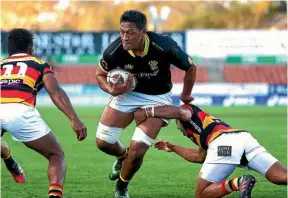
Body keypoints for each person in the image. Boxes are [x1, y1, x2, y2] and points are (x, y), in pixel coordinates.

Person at [95, 10, 197, 198]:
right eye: (122, 32)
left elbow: (190, 67)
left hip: (158, 98)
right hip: (127, 95)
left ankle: (121, 188)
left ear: (143, 32)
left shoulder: (164, 46)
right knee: (103, 142)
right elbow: (100, 75)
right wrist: (111, 90)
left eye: (130, 33)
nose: (124, 37)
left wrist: (186, 94)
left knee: (138, 149)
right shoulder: (113, 51)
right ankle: (121, 156)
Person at [0, 28, 87, 198]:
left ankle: (10, 162)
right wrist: (74, 119)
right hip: (20, 111)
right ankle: (54, 194)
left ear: (9, 50)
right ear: (31, 49)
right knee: (56, 155)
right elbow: (55, 92)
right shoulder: (38, 63)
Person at [134, 104, 287, 198]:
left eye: (177, 125)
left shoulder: (188, 113)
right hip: (244, 139)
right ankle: (240, 182)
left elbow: (180, 112)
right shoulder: (204, 130)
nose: (179, 129)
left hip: (225, 146)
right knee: (281, 176)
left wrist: (148, 112)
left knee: (202, 194)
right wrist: (173, 147)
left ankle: (239, 182)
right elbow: (198, 156)